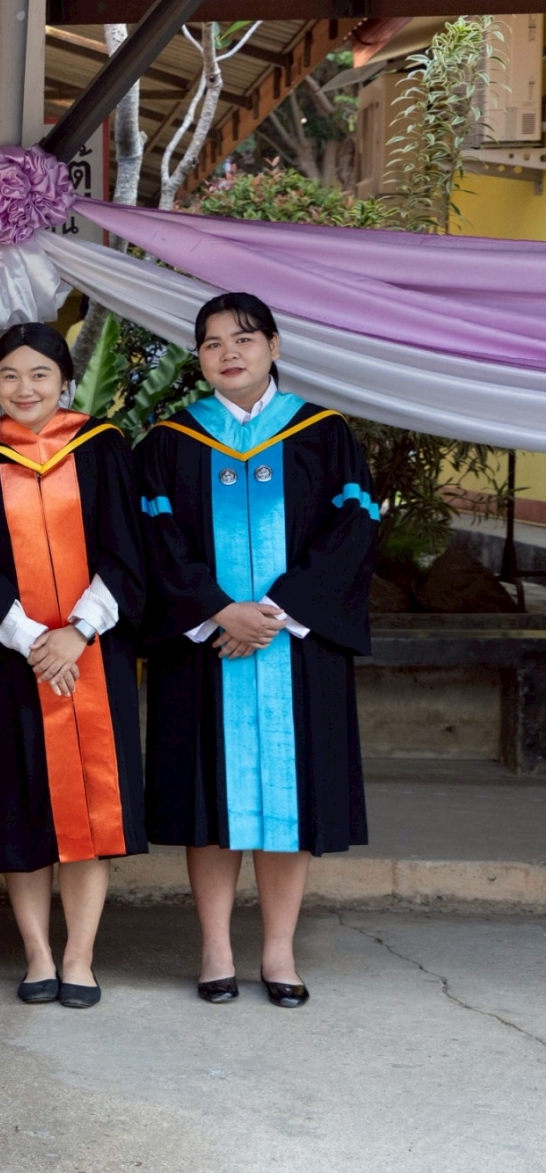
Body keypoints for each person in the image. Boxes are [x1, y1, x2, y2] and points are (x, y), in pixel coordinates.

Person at [137, 292, 378, 1008]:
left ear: (274, 346)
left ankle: (279, 952)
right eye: (212, 343)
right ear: (198, 358)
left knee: (289, 807)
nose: (229, 353)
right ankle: (215, 949)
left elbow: (355, 526)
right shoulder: (171, 442)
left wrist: (275, 614)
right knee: (209, 803)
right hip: (205, 648)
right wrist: (218, 611)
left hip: (295, 648)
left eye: (243, 338)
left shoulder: (324, 434)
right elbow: (153, 538)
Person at [0, 323, 149, 1010]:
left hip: (93, 653)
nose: (24, 388)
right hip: (13, 662)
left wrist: (79, 631)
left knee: (91, 809)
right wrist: (33, 638)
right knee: (19, 808)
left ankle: (79, 957)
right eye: (9, 375)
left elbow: (127, 547)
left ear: (65, 381)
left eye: (39, 374)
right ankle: (36, 953)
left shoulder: (103, 446)